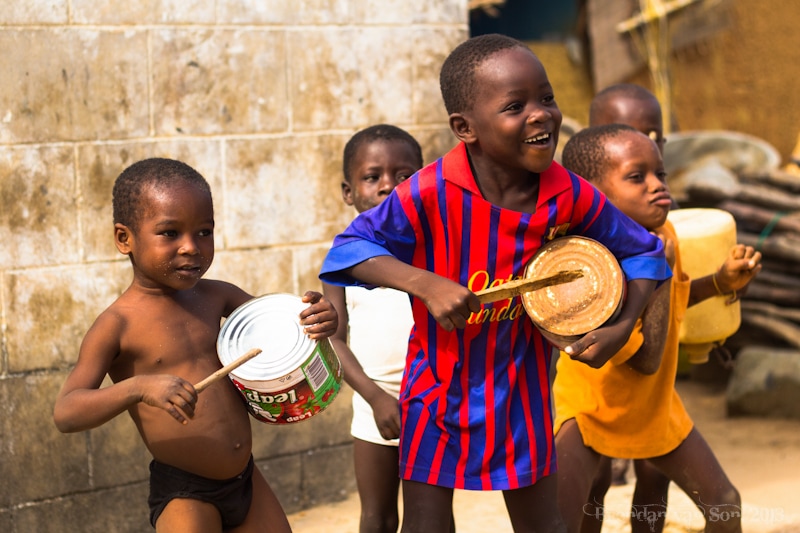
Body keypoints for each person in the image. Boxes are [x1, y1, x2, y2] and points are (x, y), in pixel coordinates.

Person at [319, 34, 671, 533]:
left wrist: (622, 325)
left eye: (546, 98)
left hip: (521, 394)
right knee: (425, 525)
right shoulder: (430, 191)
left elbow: (645, 252)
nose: (541, 114)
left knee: (543, 525)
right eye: (515, 105)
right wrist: (425, 283)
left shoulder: (567, 193)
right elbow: (348, 250)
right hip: (435, 394)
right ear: (465, 128)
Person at [53, 158, 338, 533]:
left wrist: (319, 318)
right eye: (170, 233)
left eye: (204, 232)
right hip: (186, 492)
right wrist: (139, 387)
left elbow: (284, 327)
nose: (190, 247)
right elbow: (67, 412)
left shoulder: (218, 296)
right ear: (125, 239)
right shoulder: (116, 325)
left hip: (246, 480)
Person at [554, 124, 761, 533]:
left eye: (660, 174)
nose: (657, 186)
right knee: (567, 516)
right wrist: (657, 267)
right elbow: (645, 357)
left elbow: (671, 306)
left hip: (654, 406)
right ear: (593, 193)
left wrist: (720, 282)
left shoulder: (663, 235)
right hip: (590, 408)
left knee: (725, 504)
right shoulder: (592, 260)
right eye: (637, 177)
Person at [322, 124, 434, 533]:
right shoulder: (342, 261)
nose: (389, 187)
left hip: (433, 402)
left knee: (431, 518)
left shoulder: (436, 252)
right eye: (373, 177)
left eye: (404, 176)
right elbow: (333, 339)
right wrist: (375, 398)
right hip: (374, 405)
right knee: (378, 517)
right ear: (349, 191)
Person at [588, 82, 672, 490]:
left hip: (656, 394)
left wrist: (721, 284)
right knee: (593, 484)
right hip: (596, 398)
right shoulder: (588, 251)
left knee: (655, 481)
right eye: (626, 131)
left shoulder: (664, 225)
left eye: (654, 136)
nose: (643, 142)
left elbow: (681, 303)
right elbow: (643, 356)